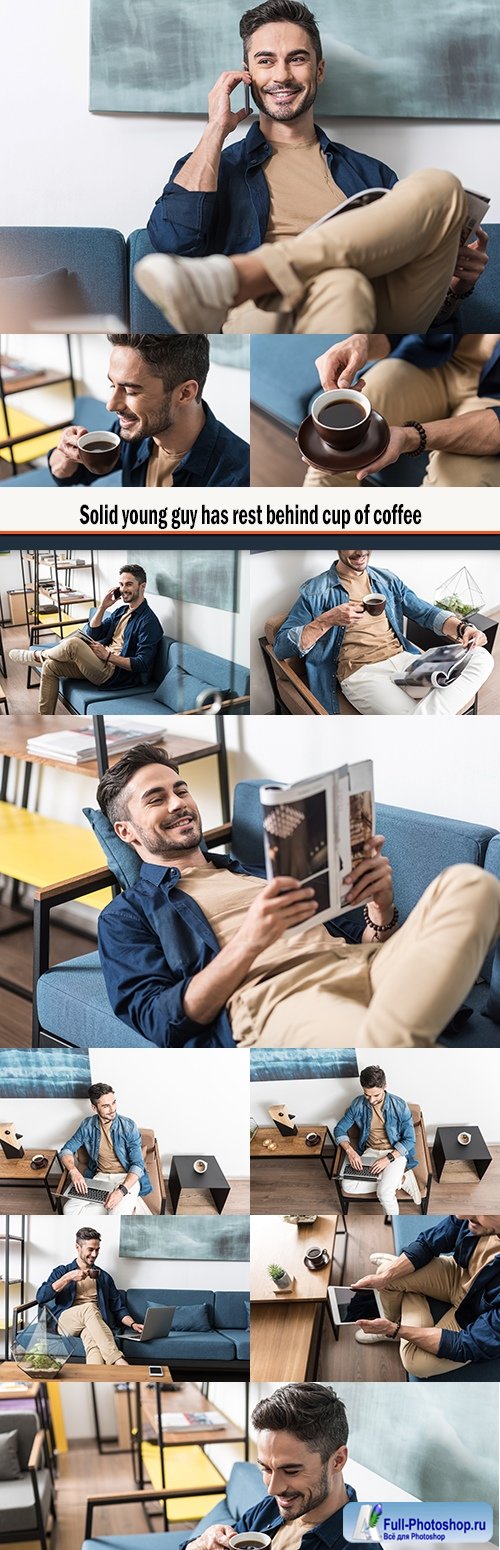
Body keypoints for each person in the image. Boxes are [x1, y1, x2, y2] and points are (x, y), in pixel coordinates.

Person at [94, 743, 500, 1051]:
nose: (179, 803)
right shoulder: (128, 915)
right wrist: (250, 942)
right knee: (380, 1044)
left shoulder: (263, 869)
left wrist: (381, 905)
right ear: (126, 832)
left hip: (362, 965)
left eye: (180, 790)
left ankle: (393, 1028)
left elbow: (369, 939)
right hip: (278, 997)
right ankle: (391, 1036)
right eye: (157, 799)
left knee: (469, 883)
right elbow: (159, 1020)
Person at [136, 2, 487, 335]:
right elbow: (173, 243)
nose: (282, 75)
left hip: (374, 312)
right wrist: (215, 128)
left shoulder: (372, 175)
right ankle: (248, 281)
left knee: (443, 186)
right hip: (264, 311)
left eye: (297, 59)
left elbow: (422, 311)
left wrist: (455, 288)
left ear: (319, 70)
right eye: (266, 61)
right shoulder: (215, 165)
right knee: (343, 284)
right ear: (248, 75)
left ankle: (241, 275)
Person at [272, 549, 493, 715]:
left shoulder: (387, 579)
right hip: (362, 674)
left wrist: (463, 628)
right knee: (410, 719)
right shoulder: (315, 592)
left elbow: (425, 612)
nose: (360, 551)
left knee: (481, 657)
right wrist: (328, 619)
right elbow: (282, 646)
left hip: (406, 660)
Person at [47, 334, 249, 487]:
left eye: (131, 391)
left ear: (185, 393)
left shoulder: (238, 479)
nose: (111, 405)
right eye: (113, 386)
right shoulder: (133, 431)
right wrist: (65, 456)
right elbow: (72, 474)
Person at [303, 331, 500, 488]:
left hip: (494, 400)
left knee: (457, 483)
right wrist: (363, 341)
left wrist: (411, 437)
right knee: (336, 443)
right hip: (432, 361)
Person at [182, 1383, 356, 1550]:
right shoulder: (272, 1508)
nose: (272, 1489)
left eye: (291, 1471)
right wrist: (200, 1544)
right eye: (266, 1469)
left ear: (337, 1460)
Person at [352, 1214, 500, 1378]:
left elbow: (471, 1344)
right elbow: (428, 1243)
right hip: (459, 1273)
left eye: (481, 1211)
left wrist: (396, 1330)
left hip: (475, 1315)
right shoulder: (471, 1216)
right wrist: (386, 1277)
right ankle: (396, 1314)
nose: (461, 1215)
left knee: (414, 1362)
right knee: (384, 1276)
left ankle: (396, 1321)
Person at [9, 564, 163, 715]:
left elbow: (142, 663)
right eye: (121, 584)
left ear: (142, 587)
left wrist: (107, 656)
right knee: (50, 666)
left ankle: (37, 656)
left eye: (129, 584)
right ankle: (45, 720)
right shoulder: (121, 610)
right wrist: (103, 607)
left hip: (114, 673)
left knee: (73, 644)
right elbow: (94, 633)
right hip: (98, 661)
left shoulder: (148, 622)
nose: (123, 590)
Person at [36, 1226, 143, 1366]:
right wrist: (67, 1278)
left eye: (97, 1249)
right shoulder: (62, 1271)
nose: (94, 1254)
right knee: (89, 1308)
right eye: (90, 1249)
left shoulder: (103, 1277)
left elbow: (118, 1307)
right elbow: (41, 1297)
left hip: (93, 1322)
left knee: (94, 1344)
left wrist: (133, 1324)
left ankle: (95, 1377)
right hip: (66, 1322)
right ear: (78, 1247)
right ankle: (117, 1359)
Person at [334, 1064, 420, 1215]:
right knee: (347, 1186)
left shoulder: (400, 1105)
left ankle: (393, 1213)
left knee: (385, 1195)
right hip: (370, 1152)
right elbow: (339, 1129)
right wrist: (350, 1151)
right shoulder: (358, 1104)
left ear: (384, 1086)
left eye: (376, 1095)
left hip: (394, 1153)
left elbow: (409, 1140)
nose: (371, 1100)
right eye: (367, 1095)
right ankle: (400, 1180)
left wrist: (387, 1160)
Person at [60, 1082, 153, 1217]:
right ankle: (128, 1208)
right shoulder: (87, 1126)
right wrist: (73, 1171)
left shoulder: (128, 1126)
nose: (112, 1109)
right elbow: (66, 1150)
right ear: (94, 1107)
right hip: (100, 1177)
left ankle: (121, 1206)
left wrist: (121, 1192)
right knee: (69, 1210)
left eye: (114, 1103)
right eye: (106, 1106)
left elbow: (138, 1165)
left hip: (126, 1178)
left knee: (116, 1215)